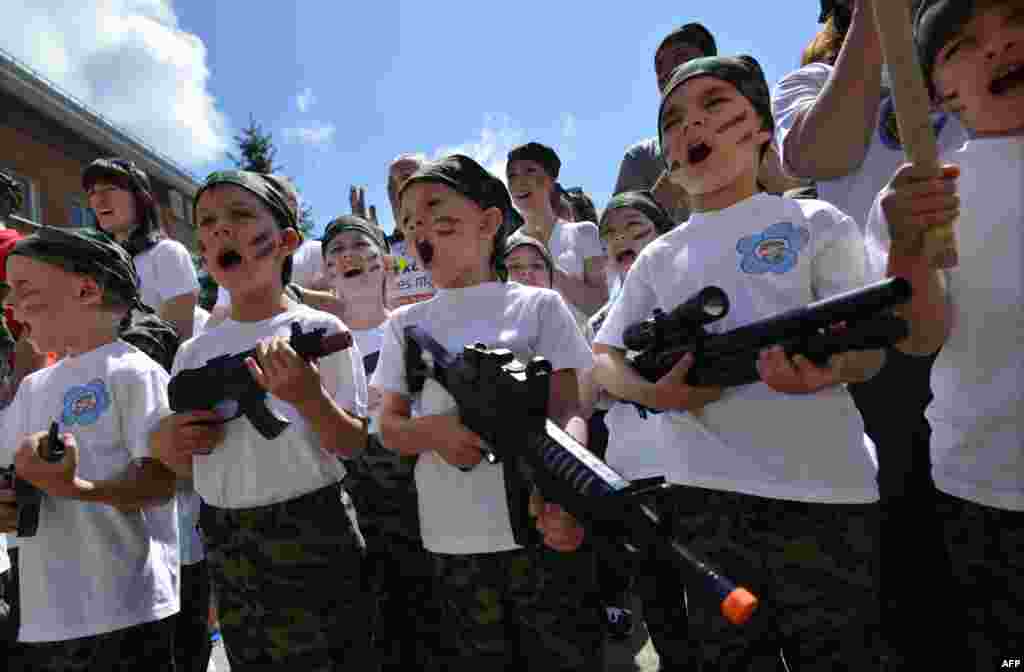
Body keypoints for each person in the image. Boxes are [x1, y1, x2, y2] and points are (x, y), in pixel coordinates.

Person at [592, 55, 886, 670]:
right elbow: (605, 356)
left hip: (827, 492)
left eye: (715, 105)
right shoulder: (658, 257)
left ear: (761, 127)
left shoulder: (814, 222)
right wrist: (657, 395)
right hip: (704, 501)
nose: (690, 126)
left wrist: (825, 372)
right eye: (672, 119)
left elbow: (868, 348)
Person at [771, 2, 969, 661]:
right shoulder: (808, 82)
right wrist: (874, 24)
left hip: (986, 309)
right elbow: (820, 153)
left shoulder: (967, 44)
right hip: (881, 336)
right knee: (907, 553)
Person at [374, 154, 604, 671]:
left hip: (542, 527)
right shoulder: (404, 325)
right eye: (409, 221)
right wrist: (433, 432)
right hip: (452, 540)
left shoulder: (537, 306)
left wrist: (566, 495)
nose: (421, 227)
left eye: (437, 209)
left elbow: (571, 407)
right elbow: (386, 426)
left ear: (489, 222)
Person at [149, 170, 371, 671]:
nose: (222, 230)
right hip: (228, 539)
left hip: (312, 529)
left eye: (241, 215)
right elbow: (188, 466)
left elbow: (354, 443)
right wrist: (168, 444)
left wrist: (306, 396)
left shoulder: (320, 329)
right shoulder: (193, 352)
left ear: (287, 241)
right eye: (207, 222)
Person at [862, 1, 1024, 667]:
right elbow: (920, 337)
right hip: (982, 492)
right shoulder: (920, 196)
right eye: (964, 43)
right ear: (936, 90)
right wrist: (909, 250)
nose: (999, 45)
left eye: (1015, 18)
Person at [1, 224, 181, 671]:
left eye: (24, 287)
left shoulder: (133, 371)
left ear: (85, 290)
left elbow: (160, 480)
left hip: (126, 607)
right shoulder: (31, 389)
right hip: (46, 616)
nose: (10, 303)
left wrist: (77, 487)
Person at [319, 214, 442, 670]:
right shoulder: (318, 338)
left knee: (425, 601)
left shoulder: (412, 327)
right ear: (326, 273)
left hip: (412, 480)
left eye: (358, 245)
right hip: (348, 484)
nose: (347, 256)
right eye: (335, 252)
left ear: (385, 262)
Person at [579, 190, 678, 644]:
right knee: (661, 609)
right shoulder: (599, 323)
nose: (623, 239)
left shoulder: (695, 299)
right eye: (611, 234)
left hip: (703, 475)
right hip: (635, 480)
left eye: (637, 228)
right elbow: (585, 400)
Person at [84, 158, 199, 341]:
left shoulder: (166, 253)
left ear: (140, 198)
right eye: (92, 192)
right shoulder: (95, 267)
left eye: (111, 189)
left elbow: (177, 341)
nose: (99, 200)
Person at [506, 142, 608, 316]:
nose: (519, 182)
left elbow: (601, 306)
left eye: (529, 171)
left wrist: (549, 268)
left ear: (550, 179)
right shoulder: (506, 247)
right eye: (512, 176)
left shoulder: (584, 232)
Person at [503, 232, 590, 333]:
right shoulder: (489, 324)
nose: (527, 272)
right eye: (515, 266)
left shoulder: (575, 327)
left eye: (537, 266)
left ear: (550, 276)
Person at [385, 154, 436, 308]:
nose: (399, 189)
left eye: (406, 178)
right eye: (392, 185)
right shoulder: (381, 248)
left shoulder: (458, 236)